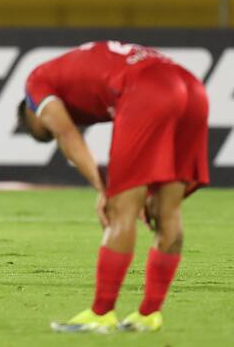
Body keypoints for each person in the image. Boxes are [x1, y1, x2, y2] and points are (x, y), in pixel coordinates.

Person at [18, 40, 209, 332]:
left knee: (121, 209)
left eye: (42, 132)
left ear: (30, 111)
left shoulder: (36, 82)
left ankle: (101, 312)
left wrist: (103, 188)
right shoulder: (80, 68)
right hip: (191, 86)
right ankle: (149, 315)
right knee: (167, 210)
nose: (47, 131)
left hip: (147, 88)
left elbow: (67, 135)